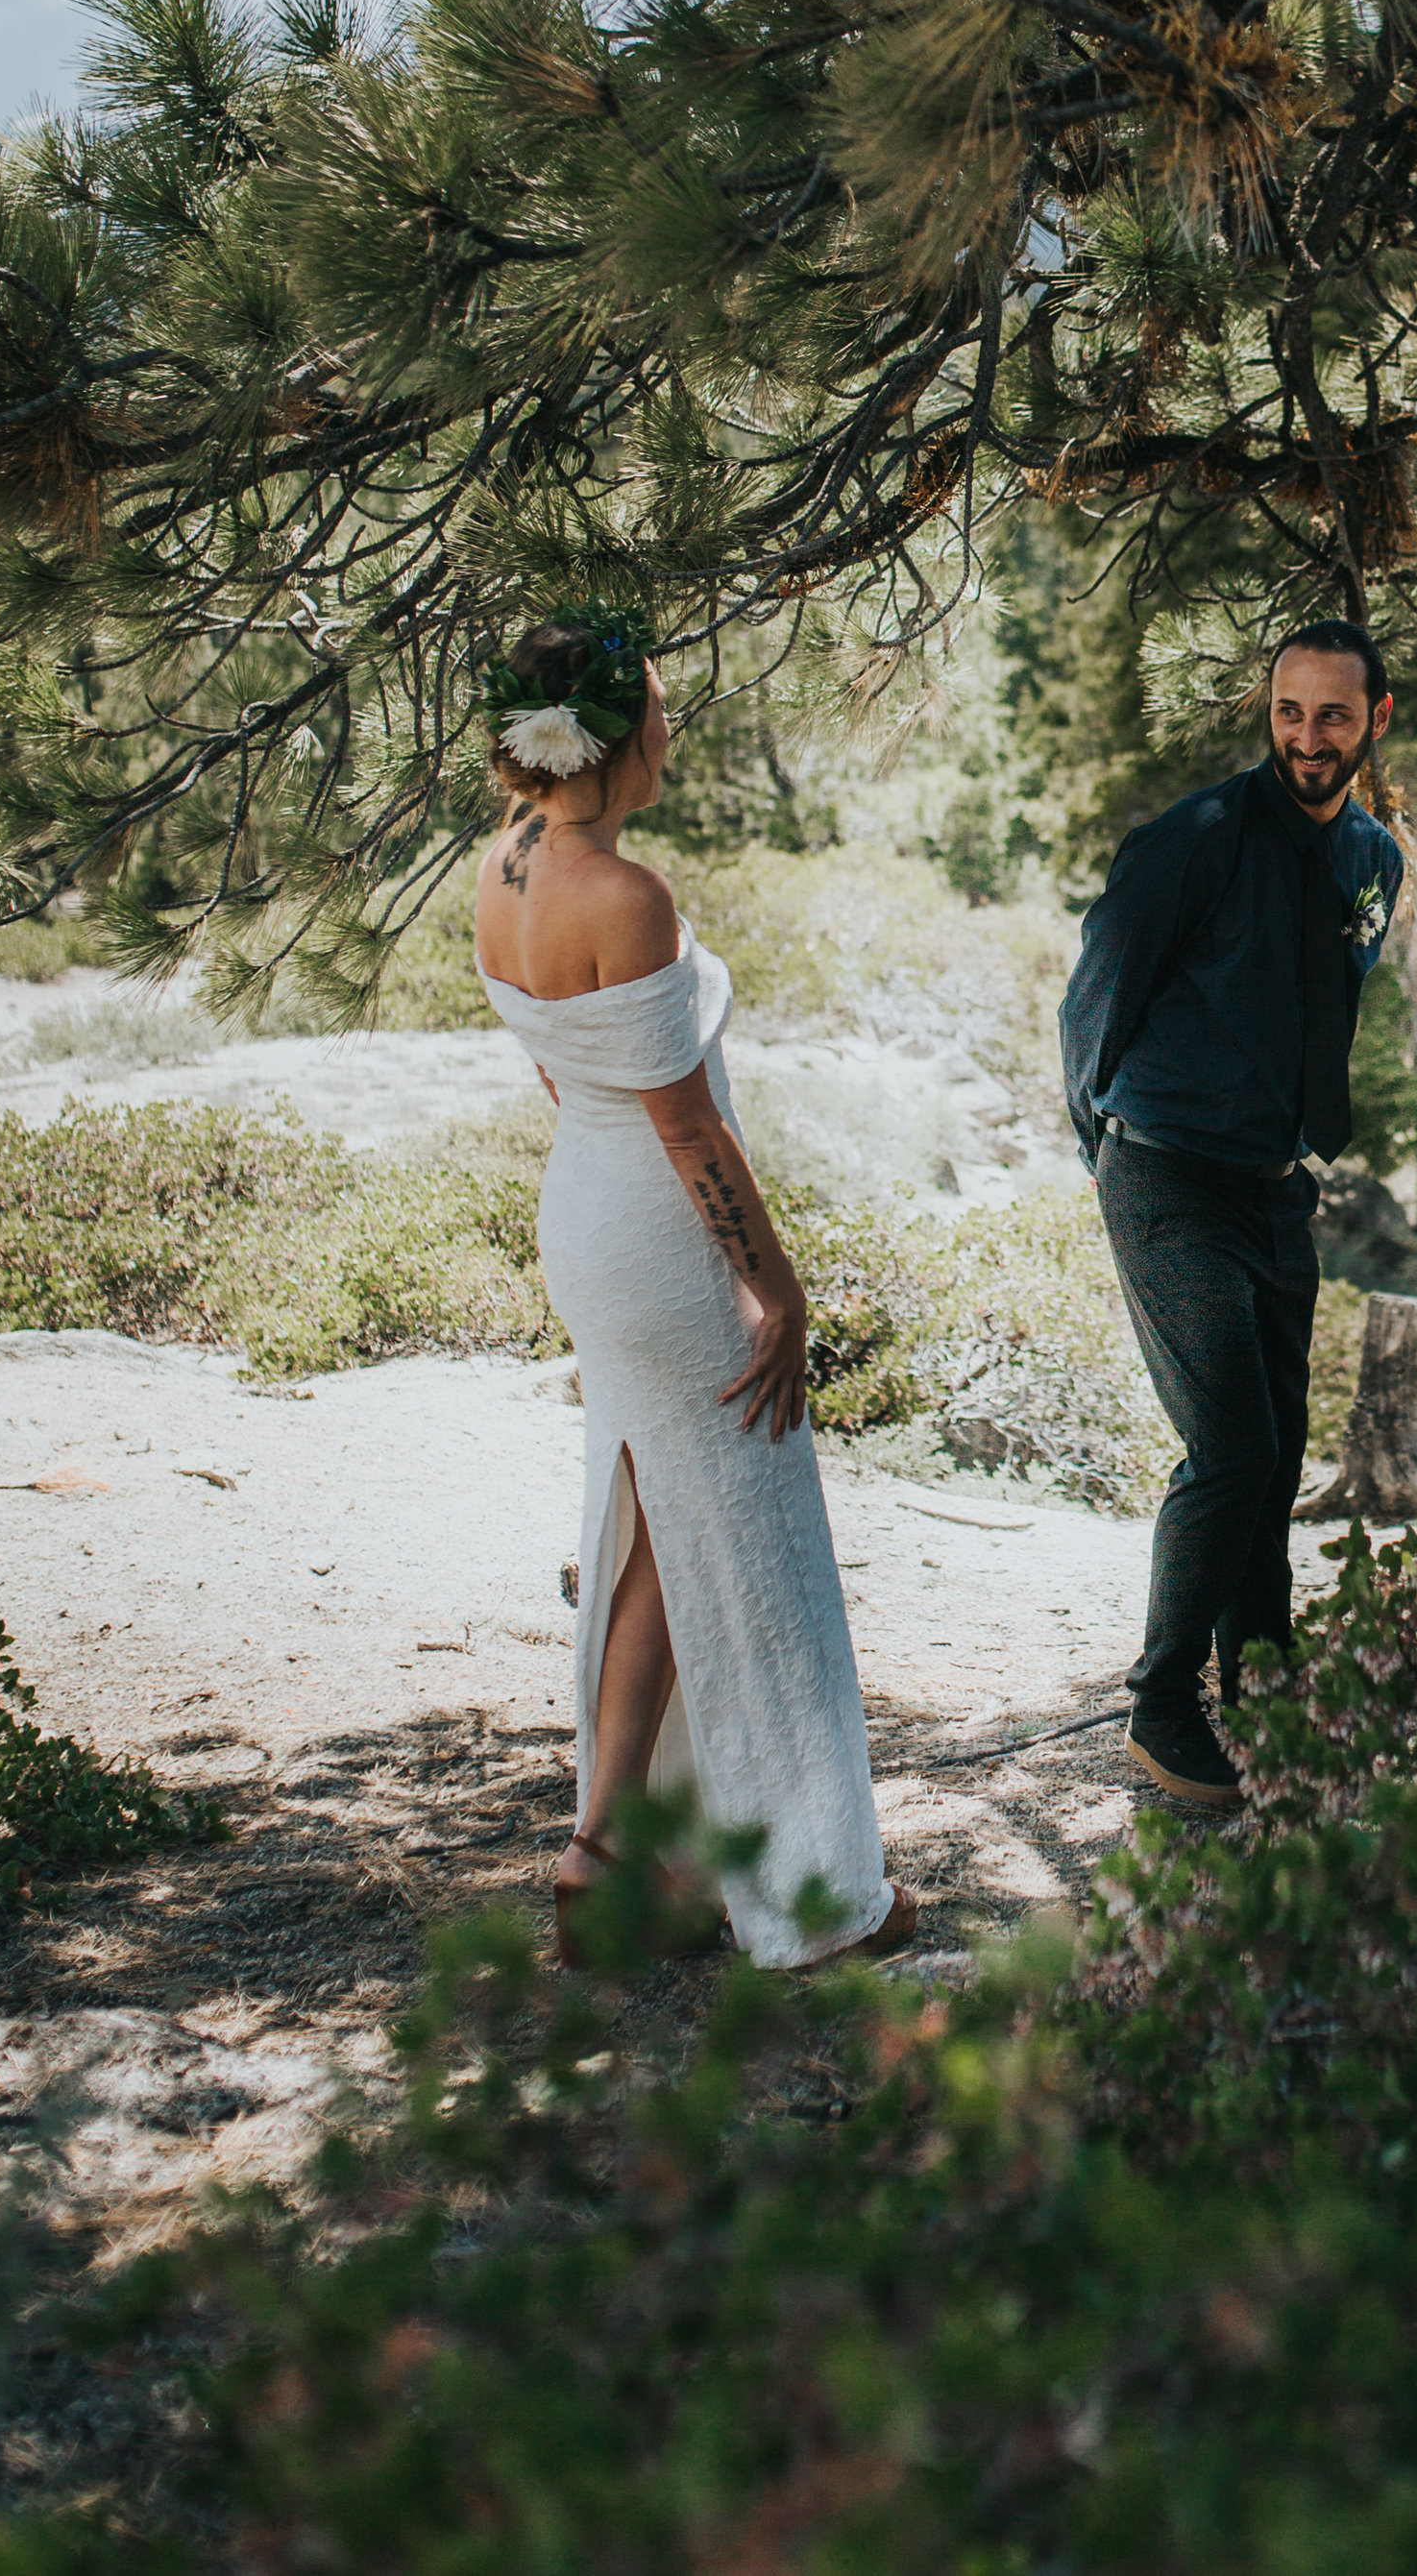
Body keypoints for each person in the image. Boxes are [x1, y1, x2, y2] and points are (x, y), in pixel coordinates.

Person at [471, 605, 917, 1970]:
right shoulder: (629, 894)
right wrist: (775, 1288)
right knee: (752, 1539)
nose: (673, 726)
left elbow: (565, 1066)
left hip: (582, 1210)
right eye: (658, 706)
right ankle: (812, 1892)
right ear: (608, 735)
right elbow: (691, 1131)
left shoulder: (501, 867)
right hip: (664, 1237)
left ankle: (607, 1855)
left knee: (666, 1522)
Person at [1059, 620, 1405, 1811]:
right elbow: (1094, 1000)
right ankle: (1161, 1705)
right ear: (1270, 713)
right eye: (1289, 713)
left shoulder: (1372, 859)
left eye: (1333, 717)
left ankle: (1266, 1689)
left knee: (1277, 1457)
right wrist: (1104, 1148)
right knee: (1234, 1449)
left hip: (1275, 1187)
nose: (1307, 738)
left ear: (1375, 720)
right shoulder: (1192, 841)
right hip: (1164, 1173)